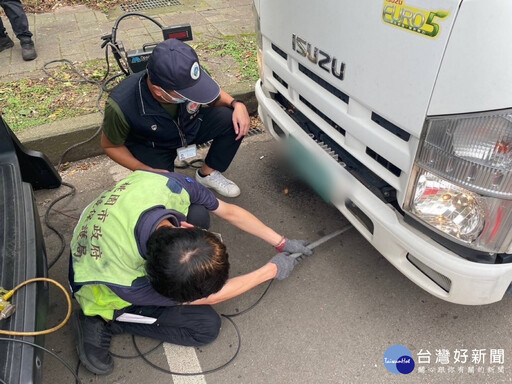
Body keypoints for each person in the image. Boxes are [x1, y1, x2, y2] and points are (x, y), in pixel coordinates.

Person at [69, 170, 313, 375]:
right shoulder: (128, 280)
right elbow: (208, 298)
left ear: (184, 226)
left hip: (117, 223)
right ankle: (108, 319)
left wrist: (281, 242)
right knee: (205, 327)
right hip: (97, 285)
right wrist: (272, 270)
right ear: (150, 274)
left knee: (200, 211)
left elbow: (228, 211)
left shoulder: (173, 186)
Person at [101, 38, 250, 198]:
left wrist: (236, 104)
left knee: (231, 119)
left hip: (190, 127)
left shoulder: (190, 75)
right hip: (153, 145)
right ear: (159, 91)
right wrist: (143, 169)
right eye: (187, 93)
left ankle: (207, 175)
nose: (193, 95)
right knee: (168, 196)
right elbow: (111, 146)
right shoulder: (121, 105)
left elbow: (212, 97)